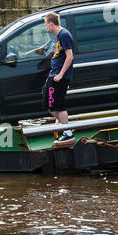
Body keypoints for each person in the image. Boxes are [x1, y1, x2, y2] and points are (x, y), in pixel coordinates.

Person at [41, 12, 75, 141]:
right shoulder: (59, 36)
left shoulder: (64, 35)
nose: (46, 28)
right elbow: (58, 53)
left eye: (46, 25)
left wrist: (61, 74)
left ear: (51, 23)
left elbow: (70, 56)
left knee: (57, 105)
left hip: (59, 77)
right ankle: (66, 127)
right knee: (48, 103)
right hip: (53, 75)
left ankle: (67, 132)